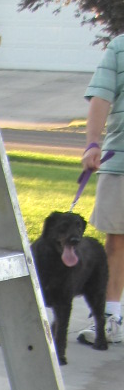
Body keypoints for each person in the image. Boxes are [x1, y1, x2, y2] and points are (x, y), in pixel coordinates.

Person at [81, 33, 124, 347]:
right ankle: (110, 318)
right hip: (121, 160)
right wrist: (93, 143)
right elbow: (101, 97)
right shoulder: (120, 47)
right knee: (118, 241)